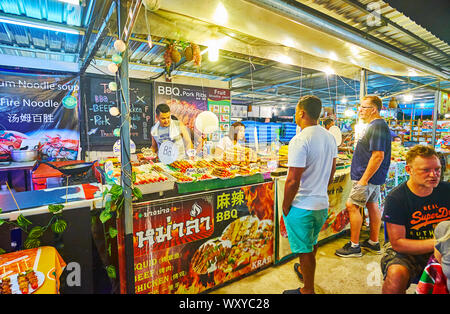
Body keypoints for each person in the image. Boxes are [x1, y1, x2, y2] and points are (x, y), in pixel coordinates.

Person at [282, 95, 337, 294]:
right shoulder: (329, 136)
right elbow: (332, 171)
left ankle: (307, 289)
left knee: (305, 250)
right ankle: (306, 273)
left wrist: (285, 205)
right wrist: (321, 188)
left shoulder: (300, 139)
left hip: (302, 206)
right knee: (311, 243)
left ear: (301, 113)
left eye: (296, 112)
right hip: (321, 204)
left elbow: (292, 179)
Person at [380, 145, 450, 294]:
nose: (433, 174)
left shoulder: (447, 190)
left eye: (437, 169)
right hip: (410, 250)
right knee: (395, 275)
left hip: (445, 246)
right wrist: (439, 244)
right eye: (425, 170)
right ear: (408, 170)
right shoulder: (396, 198)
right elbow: (398, 243)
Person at [335, 95, 391, 257]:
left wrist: (364, 180)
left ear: (373, 109)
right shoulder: (376, 125)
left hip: (366, 177)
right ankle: (373, 242)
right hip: (372, 177)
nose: (359, 110)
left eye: (363, 107)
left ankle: (354, 247)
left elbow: (378, 155)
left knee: (352, 205)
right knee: (372, 205)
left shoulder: (377, 126)